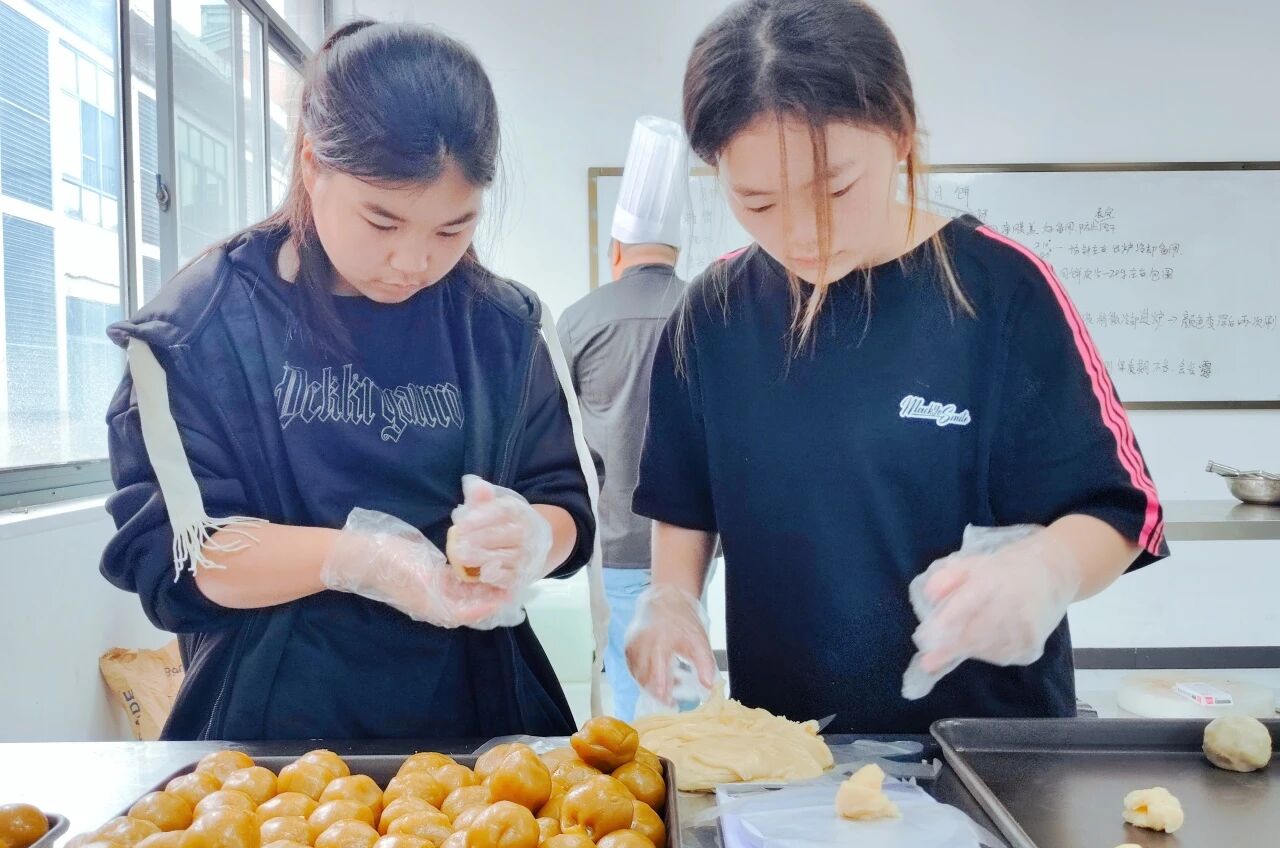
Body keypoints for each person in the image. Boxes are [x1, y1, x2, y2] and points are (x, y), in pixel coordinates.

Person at [624, 0, 1167, 734]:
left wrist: (1047, 568)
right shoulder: (712, 314)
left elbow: (1123, 511)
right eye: (757, 200)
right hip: (791, 757)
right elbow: (684, 505)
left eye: (834, 189)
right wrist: (670, 600)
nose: (803, 232)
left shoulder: (1001, 290)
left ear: (901, 132)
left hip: (984, 753)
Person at [100, 19, 595, 740]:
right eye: (382, 221)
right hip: (271, 735)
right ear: (312, 164)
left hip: (484, 725)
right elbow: (182, 552)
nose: (414, 262)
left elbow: (567, 503)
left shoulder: (502, 327)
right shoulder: (200, 329)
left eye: (452, 229)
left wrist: (529, 539)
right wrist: (359, 559)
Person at [558, 117, 688, 721]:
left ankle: (649, 775)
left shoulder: (580, 319)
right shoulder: (709, 311)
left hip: (611, 538)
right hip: (691, 543)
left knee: (628, 682)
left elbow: (560, 435)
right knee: (682, 681)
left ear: (616, 250)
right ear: (677, 252)